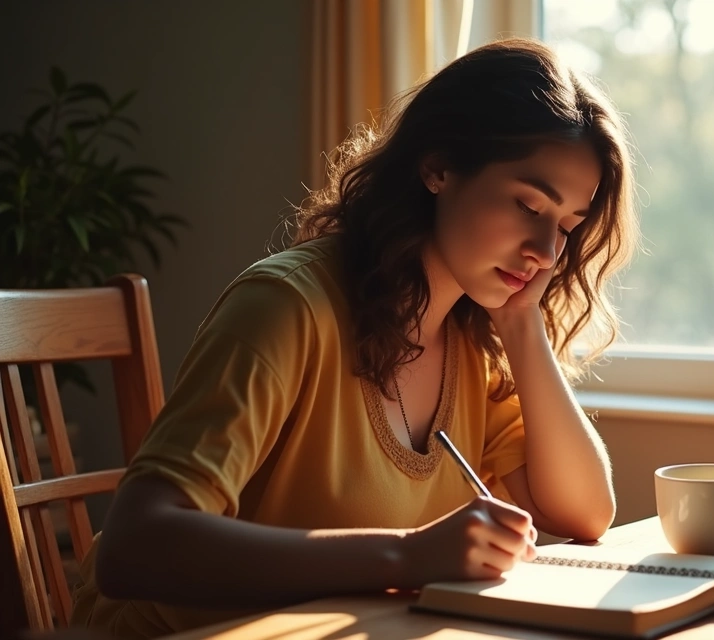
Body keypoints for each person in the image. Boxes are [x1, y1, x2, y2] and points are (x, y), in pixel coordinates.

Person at [70, 37, 638, 638]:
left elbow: (583, 513)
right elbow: (136, 547)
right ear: (438, 166)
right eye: (528, 205)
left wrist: (522, 324)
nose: (547, 253)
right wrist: (405, 556)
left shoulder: (473, 340)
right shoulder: (287, 305)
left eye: (566, 229)